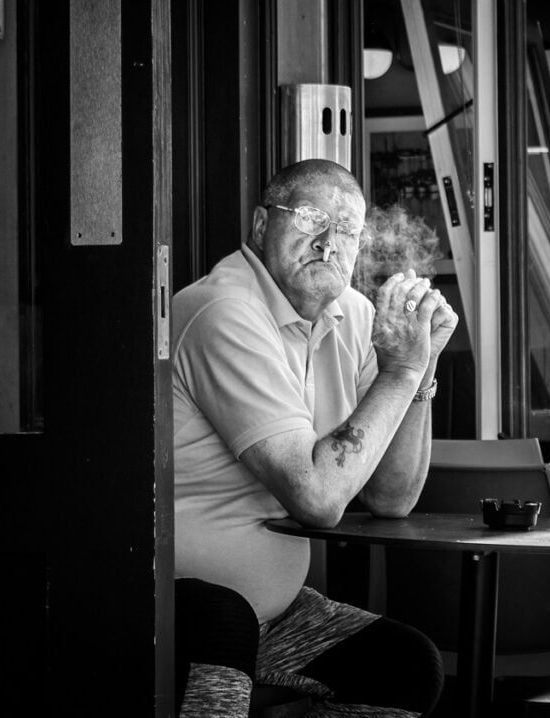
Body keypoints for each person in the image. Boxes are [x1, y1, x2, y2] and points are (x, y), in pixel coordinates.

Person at [172, 158, 457, 717]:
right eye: (308, 219)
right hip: (167, 603)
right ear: (260, 225)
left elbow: (391, 497)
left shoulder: (353, 314)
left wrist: (421, 372)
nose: (328, 243)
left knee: (406, 664)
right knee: (222, 621)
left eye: (347, 229)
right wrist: (399, 372)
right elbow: (318, 499)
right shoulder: (222, 311)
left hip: (272, 613)